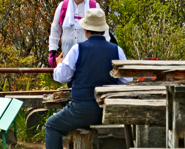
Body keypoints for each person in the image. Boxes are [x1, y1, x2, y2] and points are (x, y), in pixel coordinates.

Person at [45, 8, 128, 149]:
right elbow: (127, 80)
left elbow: (62, 77)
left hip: (81, 110)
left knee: (51, 125)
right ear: (103, 30)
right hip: (108, 109)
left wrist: (59, 64)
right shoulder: (116, 50)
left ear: (86, 30)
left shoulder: (78, 49)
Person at [48, 0, 110, 67]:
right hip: (67, 56)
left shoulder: (94, 6)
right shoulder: (63, 6)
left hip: (90, 56)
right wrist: (52, 51)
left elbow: (104, 30)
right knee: (70, 80)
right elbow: (55, 29)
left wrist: (105, 51)